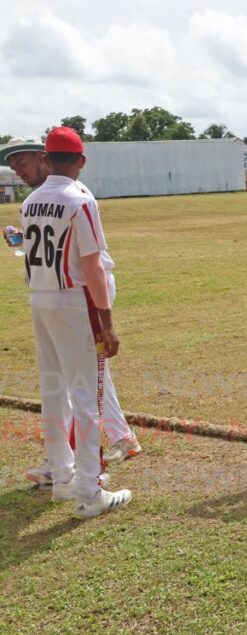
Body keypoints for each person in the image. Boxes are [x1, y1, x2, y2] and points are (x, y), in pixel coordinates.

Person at [1, 137, 141, 486]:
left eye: (23, 160)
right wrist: (25, 240)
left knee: (80, 379)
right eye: (13, 163)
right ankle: (113, 441)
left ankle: (77, 465)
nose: (18, 169)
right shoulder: (39, 200)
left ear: (45, 158)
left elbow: (89, 262)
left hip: (80, 292)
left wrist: (105, 320)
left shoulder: (69, 196)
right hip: (62, 292)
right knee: (84, 375)